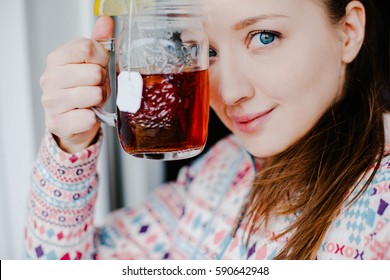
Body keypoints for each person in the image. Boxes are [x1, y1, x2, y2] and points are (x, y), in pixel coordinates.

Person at [26, 0, 389, 260]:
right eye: (207, 50)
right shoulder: (219, 170)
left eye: (264, 37)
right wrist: (72, 144)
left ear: (348, 32)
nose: (230, 93)